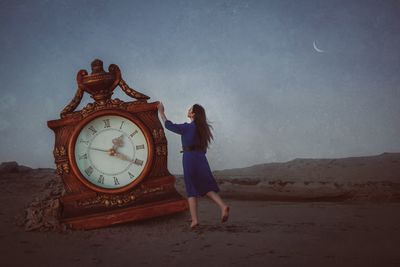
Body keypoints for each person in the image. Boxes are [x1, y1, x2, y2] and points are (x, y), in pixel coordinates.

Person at [158, 102, 230, 229]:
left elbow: (168, 125)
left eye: (190, 109)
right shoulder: (202, 129)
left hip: (189, 158)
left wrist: (161, 112)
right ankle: (222, 206)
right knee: (206, 186)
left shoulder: (188, 127)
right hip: (201, 157)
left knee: (191, 188)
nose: (188, 110)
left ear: (193, 114)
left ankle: (195, 220)